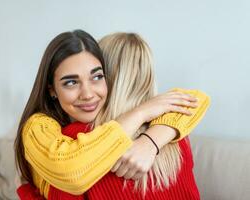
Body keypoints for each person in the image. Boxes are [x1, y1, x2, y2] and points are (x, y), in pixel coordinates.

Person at [14, 30, 209, 199]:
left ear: (109, 78)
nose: (88, 93)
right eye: (71, 82)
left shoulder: (76, 142)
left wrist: (25, 190)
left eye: (97, 76)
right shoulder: (177, 133)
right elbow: (198, 98)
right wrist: (146, 124)